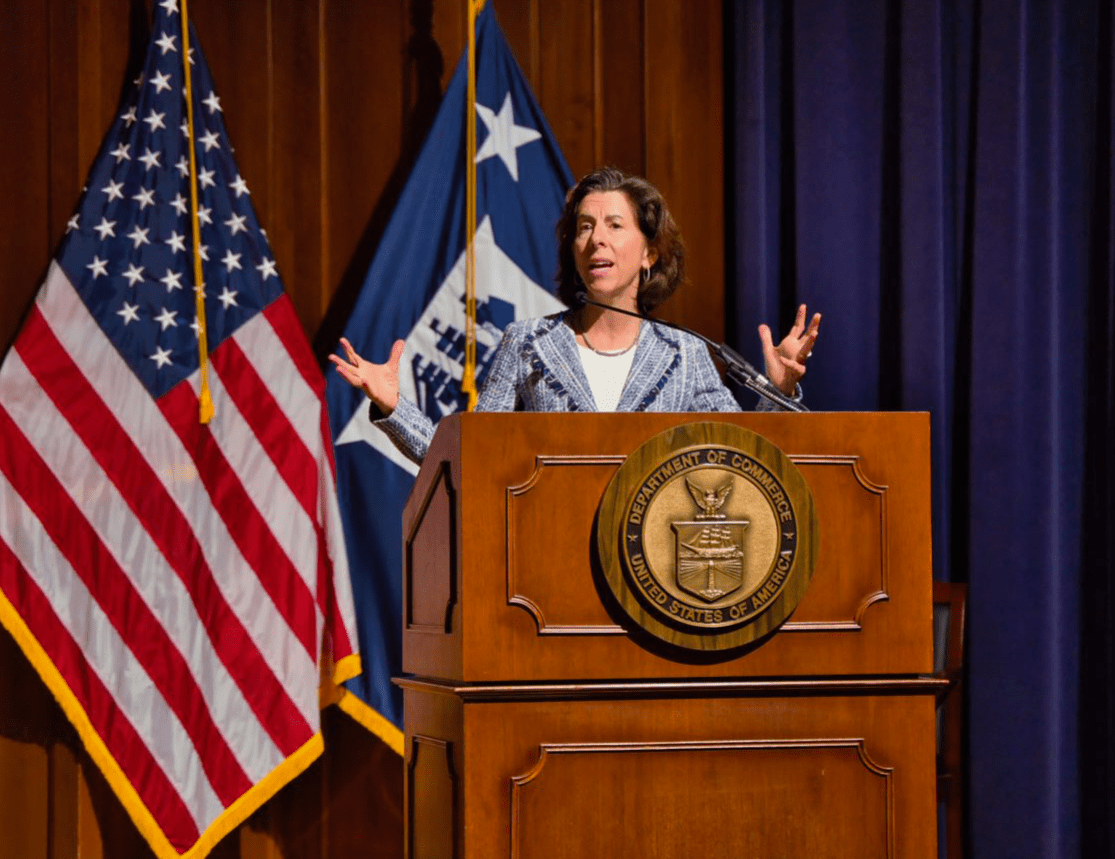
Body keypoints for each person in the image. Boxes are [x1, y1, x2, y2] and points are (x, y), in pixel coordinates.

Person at [331, 167, 821, 464]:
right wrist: (395, 408)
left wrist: (776, 392)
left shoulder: (686, 354)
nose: (596, 240)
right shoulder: (528, 343)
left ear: (649, 252)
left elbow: (742, 458)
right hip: (547, 574)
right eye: (584, 227)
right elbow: (467, 459)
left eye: (614, 225)